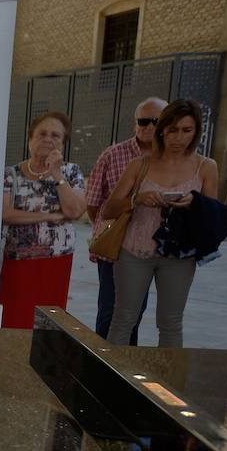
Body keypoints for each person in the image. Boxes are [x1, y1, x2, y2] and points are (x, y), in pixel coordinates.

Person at [102, 99, 219, 348]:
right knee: (123, 318)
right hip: (135, 250)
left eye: (187, 130)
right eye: (173, 130)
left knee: (171, 323)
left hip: (180, 253)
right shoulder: (139, 165)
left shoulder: (206, 167)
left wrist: (194, 203)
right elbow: (109, 209)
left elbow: (213, 216)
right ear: (162, 130)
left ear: (196, 132)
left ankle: (168, 383)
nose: (179, 138)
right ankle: (110, 380)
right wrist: (136, 199)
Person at [85, 97, 165, 343]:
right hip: (116, 247)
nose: (149, 126)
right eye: (143, 121)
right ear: (135, 124)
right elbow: (93, 204)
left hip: (150, 246)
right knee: (110, 311)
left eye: (156, 121)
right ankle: (103, 366)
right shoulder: (113, 154)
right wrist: (111, 229)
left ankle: (127, 366)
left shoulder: (173, 159)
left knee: (134, 312)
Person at [0, 111, 88, 329]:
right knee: (14, 318)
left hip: (55, 261)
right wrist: (48, 216)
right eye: (42, 134)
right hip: (16, 262)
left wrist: (56, 175)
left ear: (63, 143)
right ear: (30, 139)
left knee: (47, 322)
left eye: (55, 135)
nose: (48, 139)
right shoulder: (11, 174)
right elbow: (5, 214)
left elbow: (74, 210)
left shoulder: (71, 172)